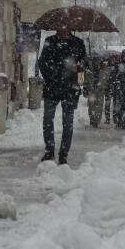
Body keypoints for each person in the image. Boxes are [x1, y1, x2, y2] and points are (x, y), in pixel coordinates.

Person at [37, 26, 87, 164]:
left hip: (70, 90)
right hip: (52, 87)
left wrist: (79, 73)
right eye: (61, 26)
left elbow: (84, 66)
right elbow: (42, 63)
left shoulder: (78, 43)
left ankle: (63, 154)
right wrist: (51, 76)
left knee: (68, 123)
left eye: (66, 26)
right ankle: (49, 151)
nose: (63, 29)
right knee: (48, 120)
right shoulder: (50, 41)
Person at [86, 54, 109, 128]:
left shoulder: (104, 70)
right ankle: (93, 119)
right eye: (95, 61)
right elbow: (83, 79)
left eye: (98, 61)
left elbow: (106, 79)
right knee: (91, 105)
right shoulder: (89, 70)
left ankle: (96, 120)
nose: (97, 63)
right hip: (92, 89)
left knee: (98, 106)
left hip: (100, 90)